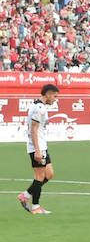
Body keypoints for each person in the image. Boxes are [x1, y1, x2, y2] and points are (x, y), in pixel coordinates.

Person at [18, 83, 59, 214]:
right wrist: (37, 150)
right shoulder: (40, 108)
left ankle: (26, 195)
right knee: (40, 176)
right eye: (55, 96)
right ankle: (35, 206)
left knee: (49, 174)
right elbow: (34, 129)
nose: (55, 99)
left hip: (42, 146)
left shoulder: (37, 105)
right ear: (48, 94)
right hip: (38, 146)